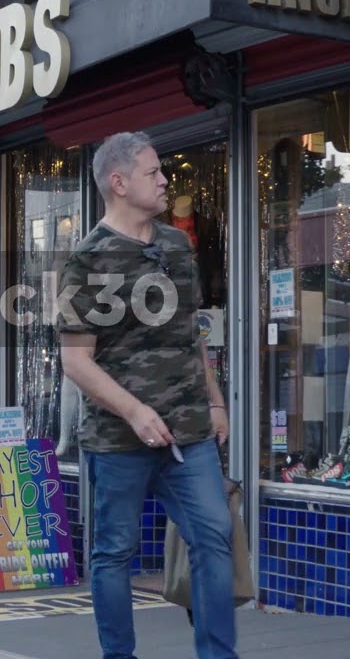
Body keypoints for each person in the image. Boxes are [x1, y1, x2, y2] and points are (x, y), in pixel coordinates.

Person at [56, 131, 237, 659]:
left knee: (214, 535)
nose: (165, 180)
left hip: (190, 430)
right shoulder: (86, 262)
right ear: (119, 182)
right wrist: (135, 412)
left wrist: (215, 398)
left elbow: (190, 331)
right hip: (119, 438)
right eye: (153, 172)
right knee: (114, 553)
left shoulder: (177, 246)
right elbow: (75, 361)